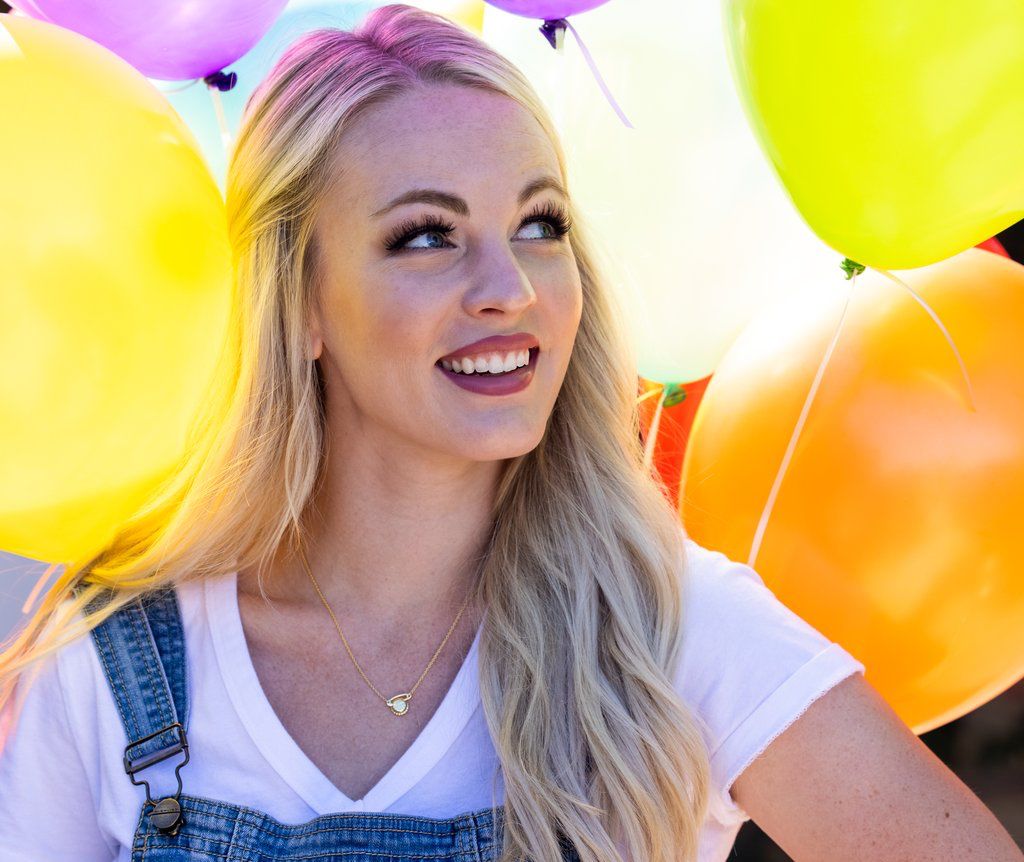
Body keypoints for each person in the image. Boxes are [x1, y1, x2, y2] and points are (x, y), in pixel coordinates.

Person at [1, 5, 1021, 861]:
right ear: (301, 304)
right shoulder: (118, 661)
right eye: (425, 237)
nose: (511, 290)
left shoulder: (669, 630)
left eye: (540, 224)